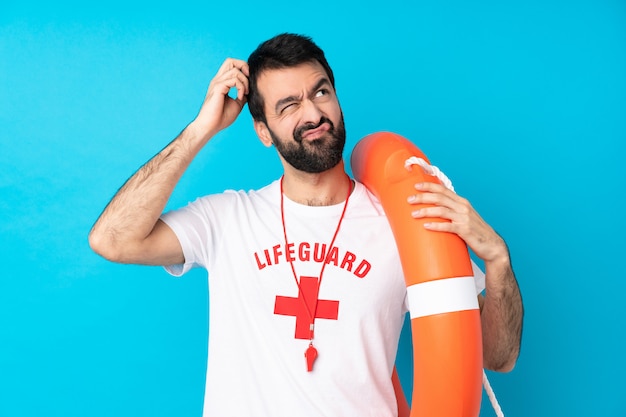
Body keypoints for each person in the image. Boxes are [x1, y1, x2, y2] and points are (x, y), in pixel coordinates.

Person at [89, 33, 523, 417]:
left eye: (320, 93)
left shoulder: (405, 223)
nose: (313, 114)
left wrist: (498, 261)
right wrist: (202, 128)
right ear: (263, 131)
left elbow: (498, 356)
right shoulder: (227, 219)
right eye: (289, 105)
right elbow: (111, 240)